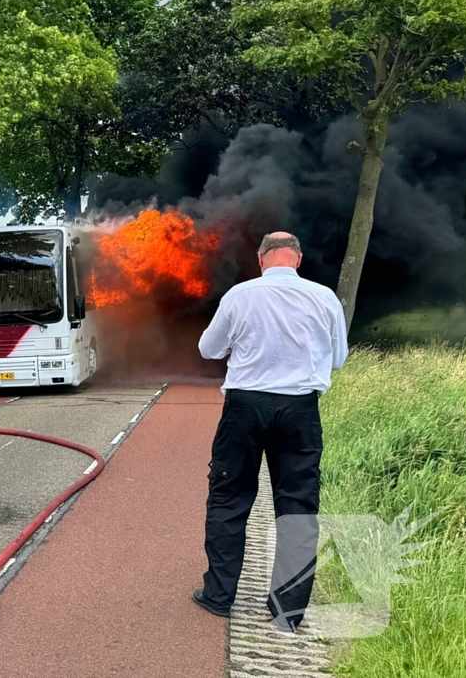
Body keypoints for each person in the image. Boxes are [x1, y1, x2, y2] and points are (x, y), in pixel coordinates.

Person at [192, 232, 348, 632]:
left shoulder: (240, 295)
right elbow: (339, 359)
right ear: (298, 259)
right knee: (298, 506)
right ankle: (287, 611)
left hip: (244, 409)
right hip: (300, 410)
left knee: (229, 498)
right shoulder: (325, 297)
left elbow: (209, 349)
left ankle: (218, 597)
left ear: (261, 259)